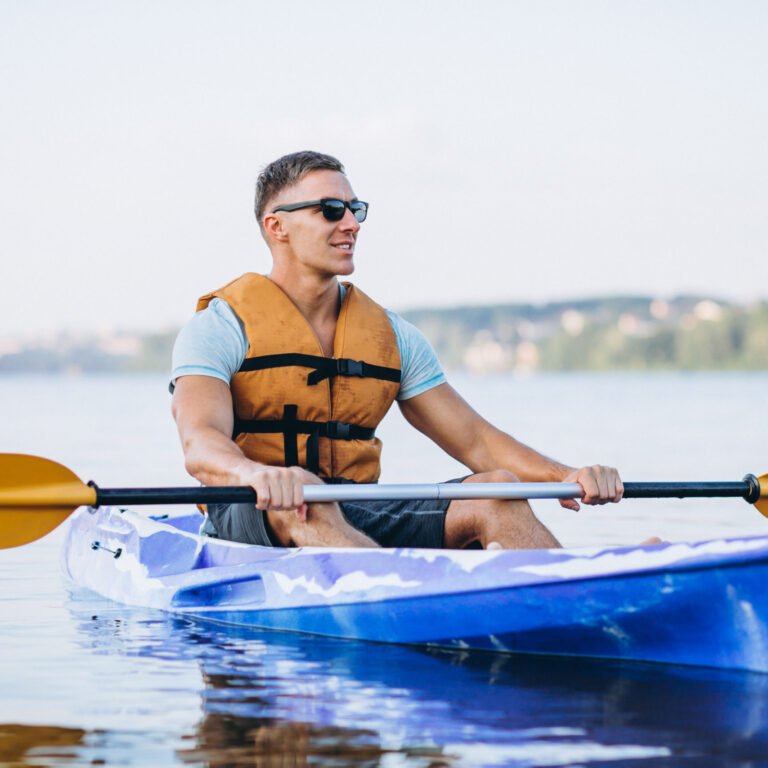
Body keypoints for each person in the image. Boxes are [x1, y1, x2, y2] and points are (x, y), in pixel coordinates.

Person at [170, 150, 623, 551]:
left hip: (356, 509)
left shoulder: (392, 334)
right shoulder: (219, 326)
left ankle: (576, 598)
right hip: (252, 508)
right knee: (305, 497)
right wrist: (254, 475)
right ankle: (384, 594)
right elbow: (200, 441)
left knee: (497, 490)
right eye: (330, 210)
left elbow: (475, 440)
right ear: (277, 226)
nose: (351, 224)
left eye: (355, 209)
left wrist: (564, 475)